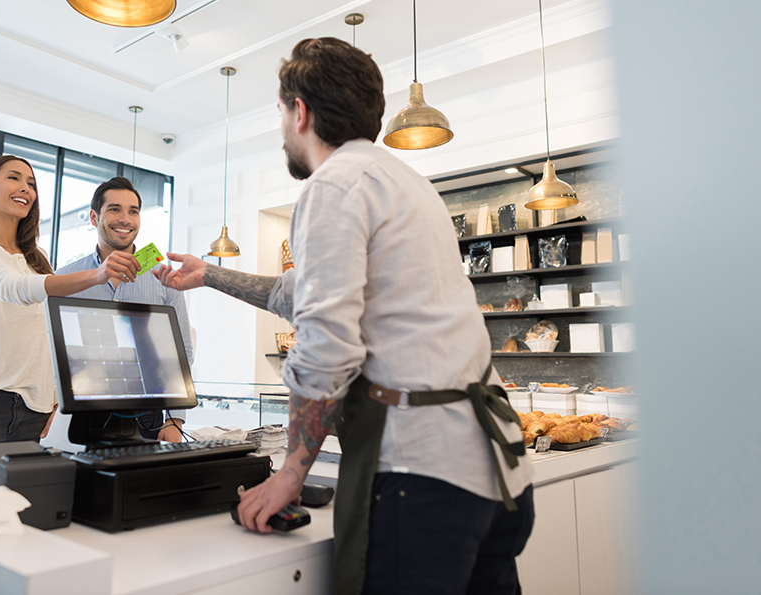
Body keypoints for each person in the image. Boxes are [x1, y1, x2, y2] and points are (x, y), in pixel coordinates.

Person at [155, 37, 534, 595]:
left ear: (300, 111)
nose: (283, 127)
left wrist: (290, 474)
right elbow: (301, 291)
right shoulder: (406, 183)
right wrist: (209, 274)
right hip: (496, 474)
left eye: (281, 113)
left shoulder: (332, 186)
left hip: (420, 480)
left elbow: (324, 345)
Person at [0, 155, 141, 448]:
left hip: (35, 404)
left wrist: (54, 396)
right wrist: (97, 275)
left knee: (19, 494)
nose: (25, 188)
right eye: (14, 178)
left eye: (31, 183)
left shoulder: (38, 256)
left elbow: (47, 329)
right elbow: (15, 288)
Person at [55, 176, 193, 443]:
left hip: (148, 413)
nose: (125, 219)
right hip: (84, 413)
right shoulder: (66, 277)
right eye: (114, 209)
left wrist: (175, 419)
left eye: (133, 211)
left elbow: (182, 352)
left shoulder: (162, 277)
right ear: (94, 218)